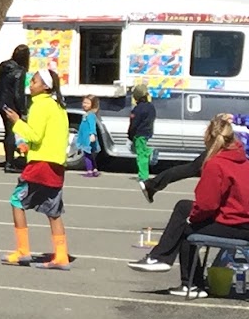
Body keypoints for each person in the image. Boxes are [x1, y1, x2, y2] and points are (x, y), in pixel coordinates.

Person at [130, 116, 249, 296]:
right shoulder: (243, 161)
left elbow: (207, 205)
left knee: (185, 227)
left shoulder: (215, 164)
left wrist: (193, 217)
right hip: (242, 221)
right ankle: (162, 260)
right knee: (183, 207)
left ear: (208, 139)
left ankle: (187, 280)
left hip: (238, 225)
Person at [0, 67, 71, 269]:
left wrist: (17, 122)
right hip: (56, 164)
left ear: (45, 86)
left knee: (16, 201)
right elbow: (49, 136)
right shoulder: (58, 106)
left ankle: (23, 250)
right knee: (53, 211)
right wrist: (27, 146)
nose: (30, 84)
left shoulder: (40, 106)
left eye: (34, 82)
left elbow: (35, 135)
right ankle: (61, 255)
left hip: (41, 164)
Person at [0, 44, 30, 171]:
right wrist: (23, 110)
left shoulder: (4, 67)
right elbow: (18, 94)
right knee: (12, 132)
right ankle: (9, 163)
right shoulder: (19, 71)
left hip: (1, 102)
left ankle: (9, 160)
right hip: (11, 104)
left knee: (8, 132)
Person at [128, 84, 156, 188]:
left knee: (141, 155)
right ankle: (148, 151)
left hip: (139, 134)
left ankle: (143, 175)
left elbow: (133, 124)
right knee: (140, 150)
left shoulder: (137, 109)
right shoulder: (151, 107)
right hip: (148, 132)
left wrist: (130, 135)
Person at [71, 96, 101, 178]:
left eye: (87, 103)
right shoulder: (87, 114)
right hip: (85, 137)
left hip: (88, 138)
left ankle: (89, 171)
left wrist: (92, 134)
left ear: (93, 105)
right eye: (84, 102)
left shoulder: (90, 115)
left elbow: (92, 126)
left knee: (87, 155)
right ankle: (94, 170)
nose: (85, 105)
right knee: (90, 154)